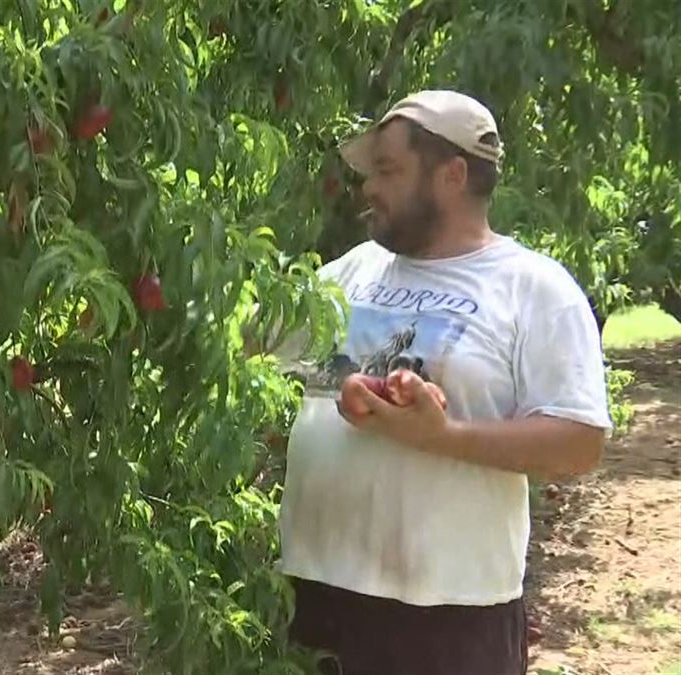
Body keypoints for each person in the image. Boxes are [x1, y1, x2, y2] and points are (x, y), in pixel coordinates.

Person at [253, 90, 614, 674]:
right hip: (314, 592)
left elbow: (579, 442)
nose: (369, 187)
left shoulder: (534, 290)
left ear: (452, 175)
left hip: (447, 613)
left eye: (389, 170)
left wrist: (442, 435)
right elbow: (248, 349)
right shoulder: (352, 269)